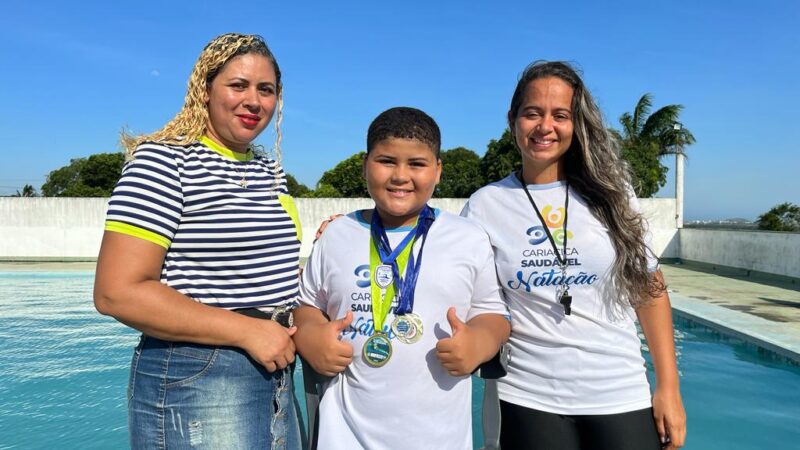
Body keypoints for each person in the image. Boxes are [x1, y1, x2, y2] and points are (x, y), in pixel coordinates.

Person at [462, 61, 687, 450]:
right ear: (512, 119)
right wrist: (356, 227)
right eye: (532, 113)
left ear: (575, 123)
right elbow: (447, 264)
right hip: (529, 394)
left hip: (618, 389)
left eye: (560, 115)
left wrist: (669, 387)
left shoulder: (612, 194)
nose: (545, 126)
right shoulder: (486, 204)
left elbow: (649, 289)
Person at [93, 33, 302, 449]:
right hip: (200, 375)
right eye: (238, 85)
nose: (254, 101)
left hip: (275, 369)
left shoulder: (268, 170)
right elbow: (117, 292)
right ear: (204, 90)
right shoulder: (164, 160)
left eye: (266, 89)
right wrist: (248, 331)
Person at [294, 107, 511, 449]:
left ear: (438, 171)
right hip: (344, 435)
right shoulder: (337, 234)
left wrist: (479, 344)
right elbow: (306, 305)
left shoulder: (468, 237)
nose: (400, 176)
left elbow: (493, 315)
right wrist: (310, 336)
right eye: (386, 161)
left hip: (440, 438)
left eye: (417, 164)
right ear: (366, 164)